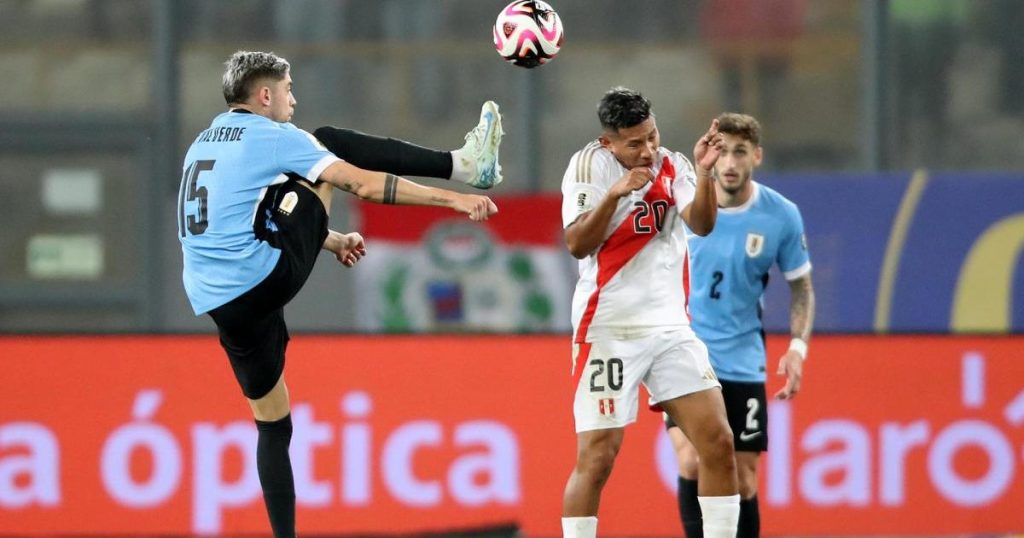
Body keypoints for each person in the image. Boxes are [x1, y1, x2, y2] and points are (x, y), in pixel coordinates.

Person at [176, 50, 499, 538]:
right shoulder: (273, 135)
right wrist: (453, 199)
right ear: (265, 96)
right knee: (326, 144)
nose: (293, 100)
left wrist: (327, 238)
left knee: (272, 422)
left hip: (220, 301)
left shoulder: (203, 142)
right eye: (287, 91)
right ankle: (464, 165)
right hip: (265, 277)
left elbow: (245, 214)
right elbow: (362, 185)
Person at [559, 87, 739, 538]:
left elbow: (702, 223)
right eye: (634, 143)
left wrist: (703, 173)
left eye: (652, 136)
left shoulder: (673, 164)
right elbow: (578, 243)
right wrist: (616, 194)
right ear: (609, 143)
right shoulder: (588, 167)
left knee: (718, 441)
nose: (647, 150)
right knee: (598, 457)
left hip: (670, 329)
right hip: (609, 327)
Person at [665, 112, 815, 538]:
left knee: (743, 477)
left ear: (757, 156)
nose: (729, 163)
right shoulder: (686, 205)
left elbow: (801, 287)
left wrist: (798, 348)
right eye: (722, 151)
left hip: (744, 358)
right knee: (692, 460)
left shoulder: (781, 215)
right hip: (686, 354)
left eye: (740, 152)